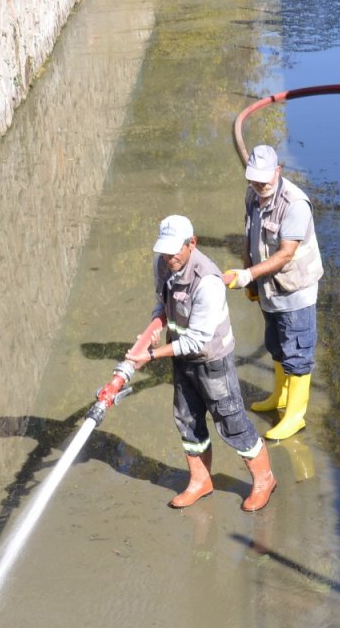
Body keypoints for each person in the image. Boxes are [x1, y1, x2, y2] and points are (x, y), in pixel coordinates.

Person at [125, 215, 277, 512]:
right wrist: (153, 329)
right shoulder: (163, 263)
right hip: (181, 359)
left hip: (211, 361)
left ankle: (264, 479)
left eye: (174, 251)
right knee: (187, 419)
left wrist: (152, 355)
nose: (169, 258)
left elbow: (197, 341)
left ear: (191, 243)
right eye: (164, 251)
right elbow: (162, 302)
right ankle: (200, 481)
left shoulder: (207, 280)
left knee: (232, 421)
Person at [222, 145, 323, 441]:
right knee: (275, 344)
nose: (259, 185)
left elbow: (285, 254)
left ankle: (295, 416)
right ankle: (278, 397)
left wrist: (248, 275)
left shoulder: (295, 204)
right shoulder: (253, 194)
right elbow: (249, 235)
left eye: (264, 179)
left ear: (278, 171)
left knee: (297, 351)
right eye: (253, 179)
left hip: (295, 290)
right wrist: (250, 278)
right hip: (268, 288)